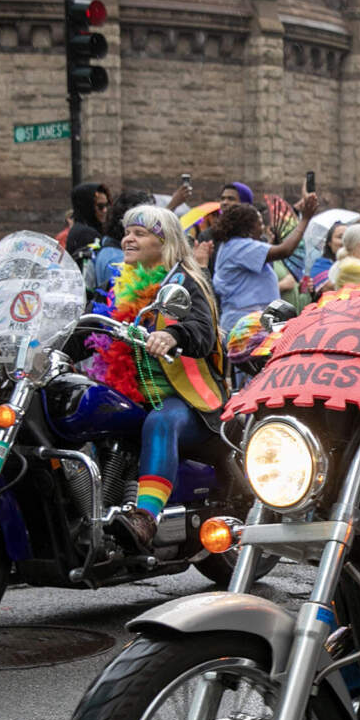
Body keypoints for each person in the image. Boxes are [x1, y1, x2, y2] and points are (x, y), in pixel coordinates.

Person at [99, 204, 227, 554]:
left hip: (186, 399)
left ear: (164, 241)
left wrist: (175, 336)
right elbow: (90, 323)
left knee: (160, 423)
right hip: (131, 394)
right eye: (127, 232)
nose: (129, 238)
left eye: (139, 233)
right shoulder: (119, 282)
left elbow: (202, 330)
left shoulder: (184, 282)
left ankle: (145, 517)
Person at [211, 197, 305, 334]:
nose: (262, 229)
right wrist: (305, 220)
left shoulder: (233, 246)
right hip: (246, 326)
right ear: (247, 227)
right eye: (260, 224)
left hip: (251, 322)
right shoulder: (240, 247)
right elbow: (285, 250)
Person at [64, 181, 109, 265]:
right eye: (100, 206)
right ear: (87, 206)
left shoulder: (83, 229)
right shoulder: (86, 233)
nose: (105, 210)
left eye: (107, 205)